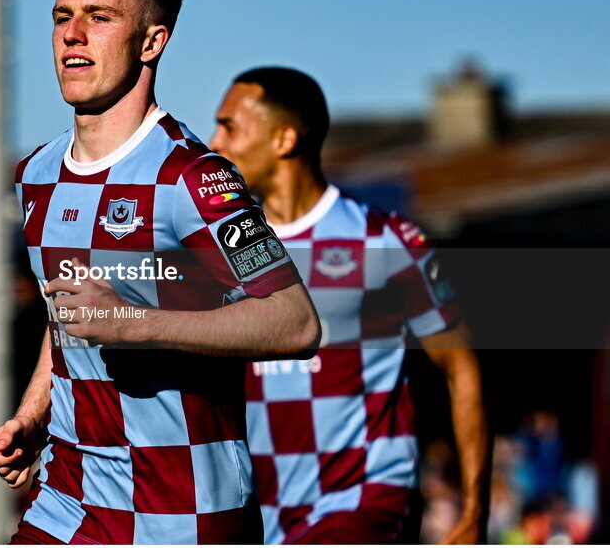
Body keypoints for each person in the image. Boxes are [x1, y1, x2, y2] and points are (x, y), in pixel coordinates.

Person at [0, 0, 320, 545]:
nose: (74, 35)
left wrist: (133, 323)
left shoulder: (195, 178)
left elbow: (294, 322)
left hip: (185, 512)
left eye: (100, 17)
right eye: (62, 17)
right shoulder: (36, 175)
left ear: (152, 42)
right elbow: (68, 313)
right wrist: (37, 411)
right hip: (68, 502)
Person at [209, 67, 491, 544]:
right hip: (266, 517)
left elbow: (460, 366)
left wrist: (473, 514)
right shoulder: (219, 254)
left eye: (230, 126)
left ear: (284, 139)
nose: (215, 142)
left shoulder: (385, 240)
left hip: (367, 501)